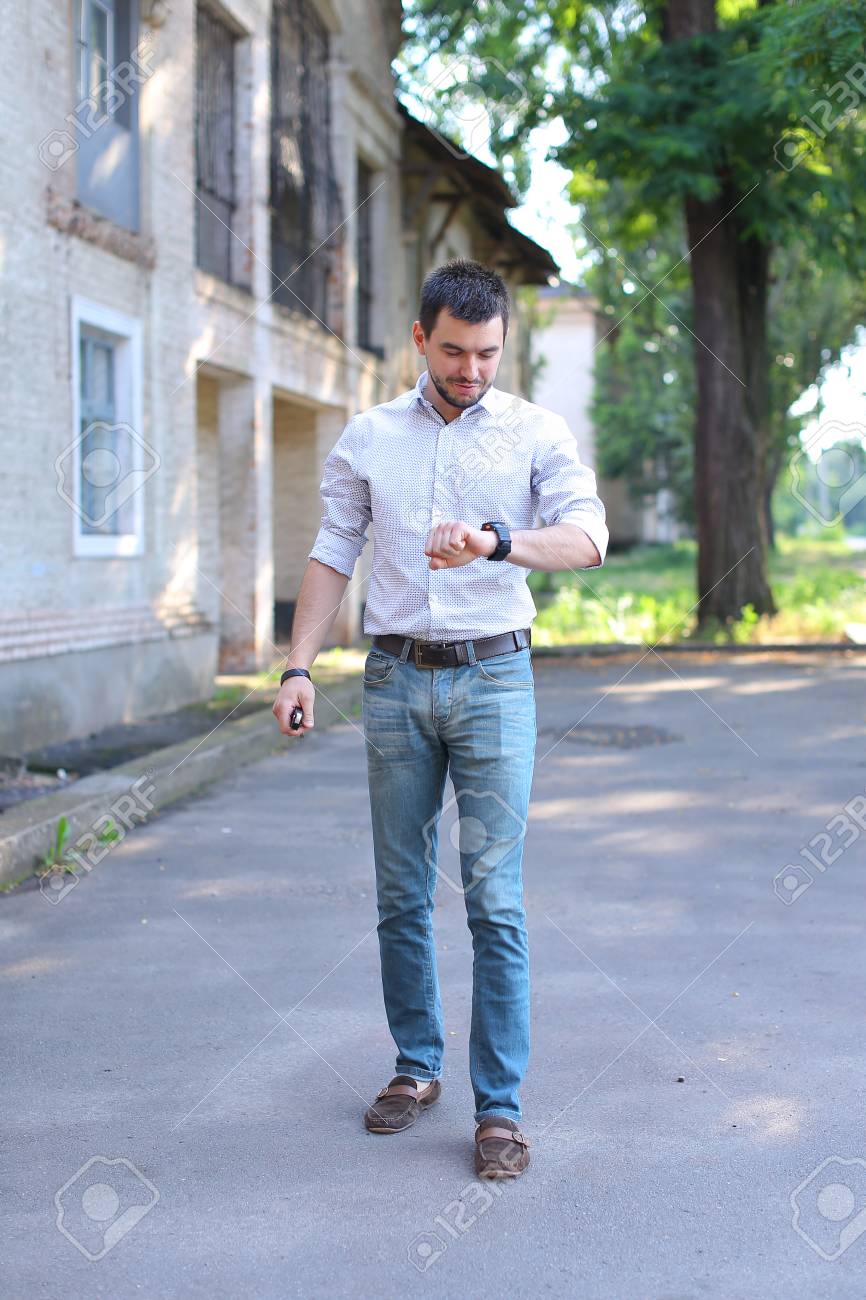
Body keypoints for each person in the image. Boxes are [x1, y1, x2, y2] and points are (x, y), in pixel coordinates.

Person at [273, 259, 608, 1179]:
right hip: (394, 681)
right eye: (455, 351)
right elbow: (334, 547)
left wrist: (496, 541)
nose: (471, 369)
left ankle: (499, 1110)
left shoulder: (536, 432)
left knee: (495, 902)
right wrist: (299, 666)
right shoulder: (372, 436)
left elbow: (587, 538)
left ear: (506, 343)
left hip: (496, 678)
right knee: (400, 894)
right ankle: (416, 1068)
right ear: (421, 338)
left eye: (488, 352)